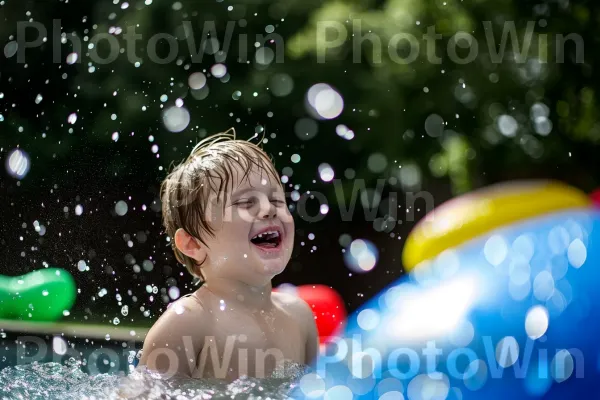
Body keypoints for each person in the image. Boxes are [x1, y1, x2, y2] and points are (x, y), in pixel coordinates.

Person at [137, 128, 319, 381]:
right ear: (192, 244)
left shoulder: (299, 317)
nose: (269, 210)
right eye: (246, 203)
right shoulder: (188, 323)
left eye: (277, 201)